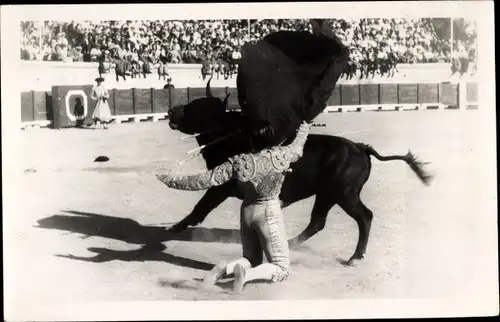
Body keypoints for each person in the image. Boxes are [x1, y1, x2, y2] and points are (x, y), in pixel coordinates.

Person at [156, 121, 311, 292]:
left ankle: (224, 270)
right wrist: (305, 126)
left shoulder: (238, 162)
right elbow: (298, 146)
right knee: (281, 267)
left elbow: (204, 180)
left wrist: (171, 181)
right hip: (269, 212)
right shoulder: (283, 154)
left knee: (251, 259)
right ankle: (246, 276)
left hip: (247, 211)